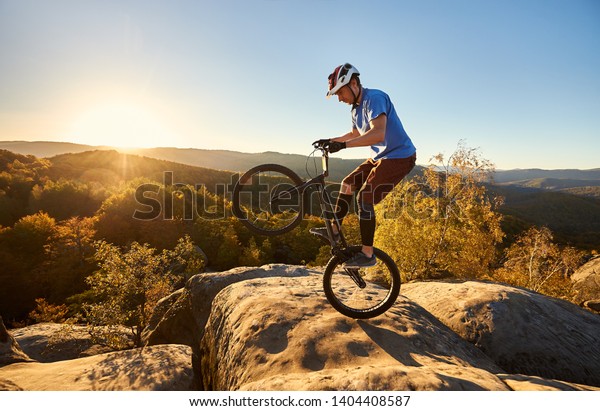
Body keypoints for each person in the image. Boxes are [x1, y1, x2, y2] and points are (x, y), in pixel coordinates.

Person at [311, 63, 417, 268]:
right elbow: (355, 134)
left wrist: (342, 146)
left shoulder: (375, 98)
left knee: (365, 197)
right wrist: (330, 140)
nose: (339, 98)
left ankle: (368, 255)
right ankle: (334, 229)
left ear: (353, 83)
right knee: (347, 183)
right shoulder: (355, 109)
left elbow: (378, 133)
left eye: (340, 92)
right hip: (380, 157)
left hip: (400, 157)